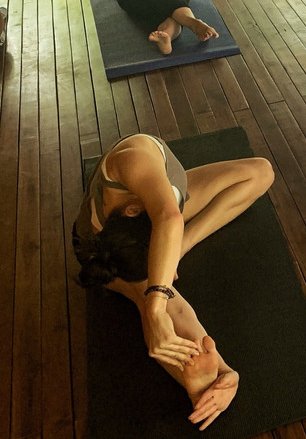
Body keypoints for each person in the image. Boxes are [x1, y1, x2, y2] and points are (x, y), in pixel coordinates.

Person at [72, 133, 274, 430]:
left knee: (260, 172)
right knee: (153, 302)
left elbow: (168, 217)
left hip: (150, 212)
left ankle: (179, 246)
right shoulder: (126, 241)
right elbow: (175, 309)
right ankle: (198, 385)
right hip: (104, 255)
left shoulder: (134, 162)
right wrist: (223, 372)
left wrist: (176, 249)